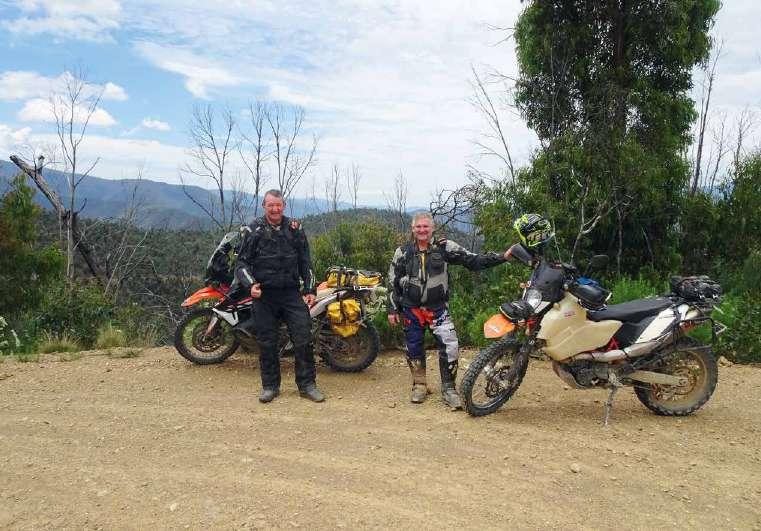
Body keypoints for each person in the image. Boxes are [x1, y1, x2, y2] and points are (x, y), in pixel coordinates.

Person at [387, 212, 511, 409]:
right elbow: (393, 281)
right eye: (418, 227)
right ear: (412, 229)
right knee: (413, 348)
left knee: (450, 347)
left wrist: (503, 257)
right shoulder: (402, 252)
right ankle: (419, 385)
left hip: (438, 309)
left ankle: (449, 388)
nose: (422, 230)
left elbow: (473, 261)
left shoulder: (444, 247)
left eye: (426, 226)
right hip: (411, 309)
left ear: (433, 228)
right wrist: (392, 309)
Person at [234, 189, 324, 403]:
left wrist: (310, 289)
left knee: (303, 339)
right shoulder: (254, 229)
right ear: (264, 206)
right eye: (270, 205)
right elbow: (241, 264)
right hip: (264, 295)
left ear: (284, 206)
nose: (275, 209)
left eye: (278, 205)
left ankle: (307, 385)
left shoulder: (295, 228)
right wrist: (250, 285)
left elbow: (305, 262)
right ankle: (270, 386)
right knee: (267, 342)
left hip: (291, 293)